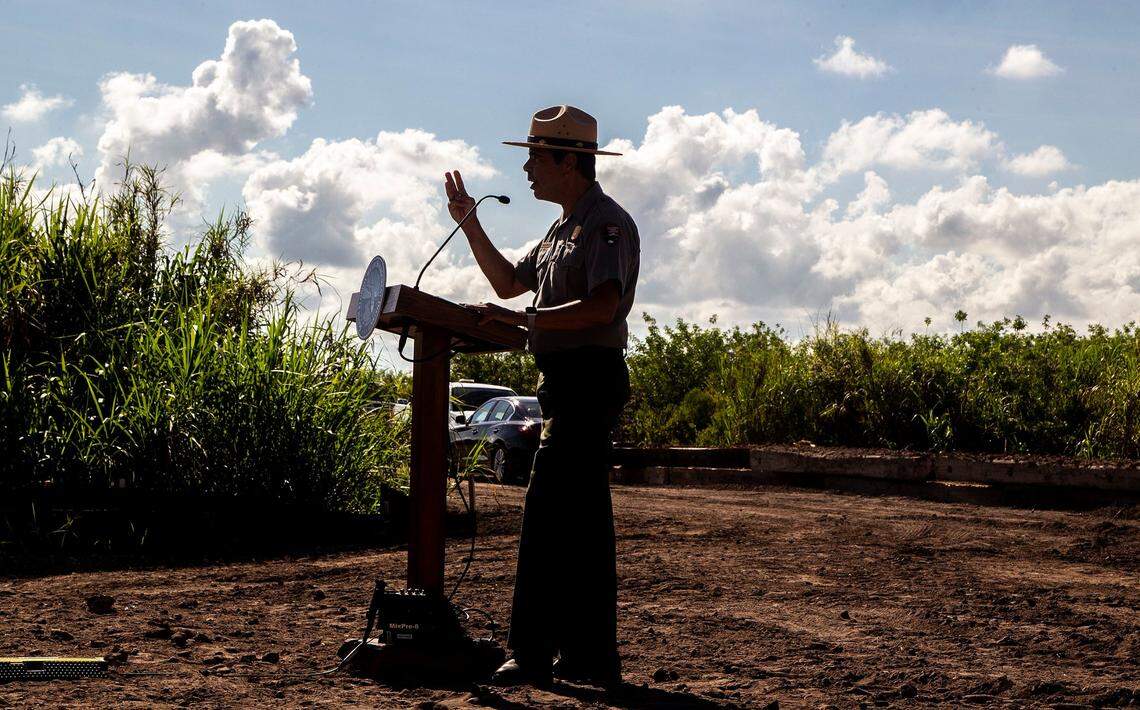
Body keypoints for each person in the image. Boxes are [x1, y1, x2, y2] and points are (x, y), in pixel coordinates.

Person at [444, 105, 639, 688]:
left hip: (588, 383)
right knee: (580, 524)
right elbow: (508, 283)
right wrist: (469, 223)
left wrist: (528, 322)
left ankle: (532, 653)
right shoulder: (559, 230)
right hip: (563, 386)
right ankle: (589, 657)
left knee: (547, 513)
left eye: (535, 157)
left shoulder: (606, 223)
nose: (527, 168)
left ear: (567, 161)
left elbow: (603, 306)